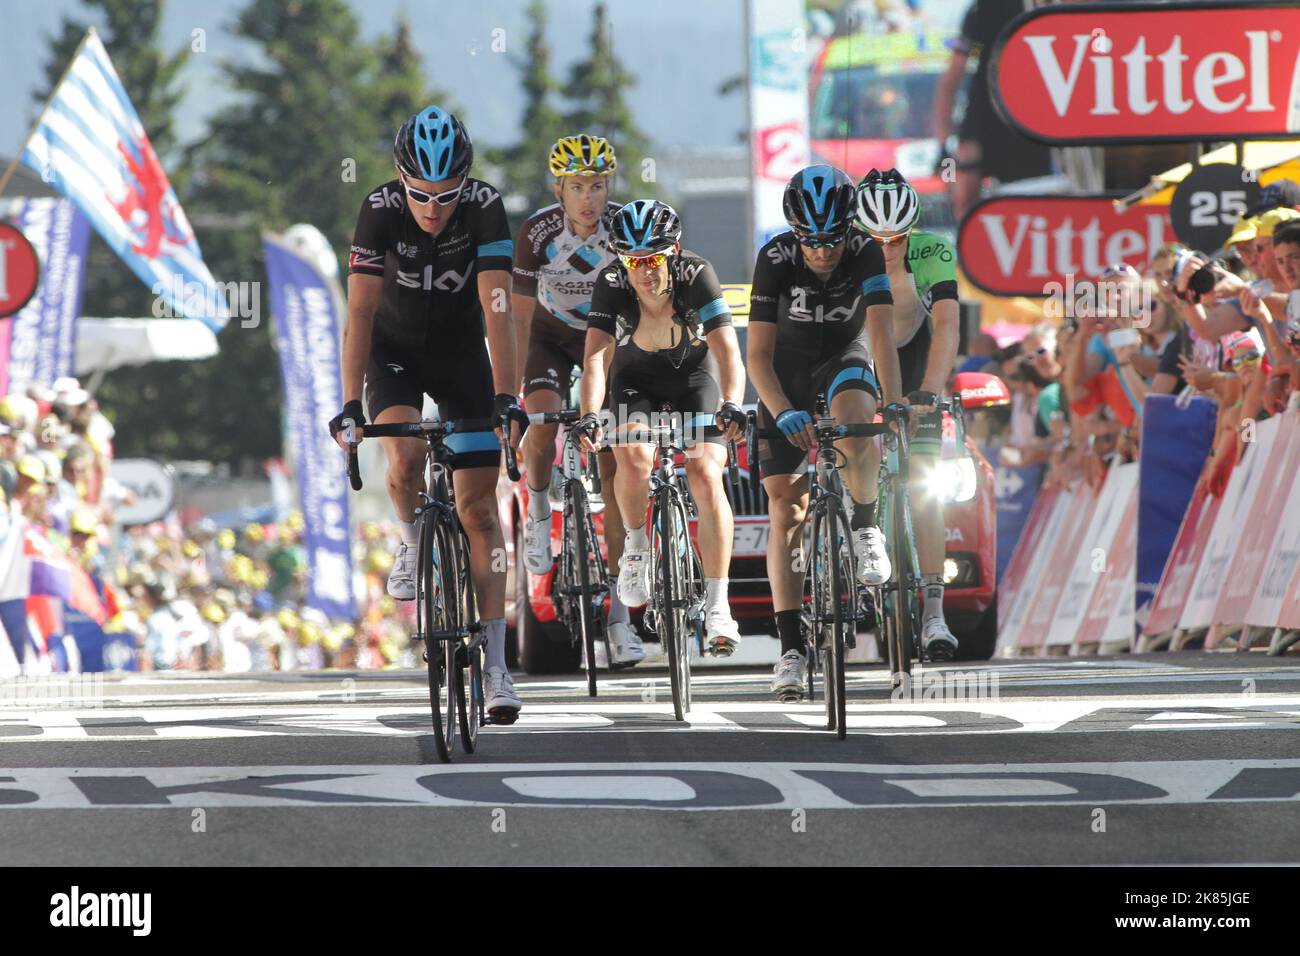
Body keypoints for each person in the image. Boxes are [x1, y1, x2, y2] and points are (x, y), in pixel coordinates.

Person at [330, 106, 525, 721]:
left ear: (465, 183)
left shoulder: (486, 206)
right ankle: (413, 541)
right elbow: (359, 312)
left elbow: (499, 309)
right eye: (420, 193)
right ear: (399, 178)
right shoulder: (380, 210)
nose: (433, 208)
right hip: (395, 352)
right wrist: (349, 407)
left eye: (446, 195)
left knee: (480, 516)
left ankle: (495, 668)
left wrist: (507, 398)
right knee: (405, 455)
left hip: (464, 352)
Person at [747, 165, 900, 699]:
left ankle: (864, 525)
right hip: (783, 373)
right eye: (811, 240)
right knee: (785, 508)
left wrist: (896, 403)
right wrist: (782, 409)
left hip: (844, 358)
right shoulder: (775, 257)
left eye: (832, 239)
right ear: (794, 231)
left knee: (860, 422)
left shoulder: (863, 251)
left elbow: (881, 335)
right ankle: (790, 648)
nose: (822, 251)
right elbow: (758, 356)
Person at [574, 200, 748, 656]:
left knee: (707, 473)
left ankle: (717, 604)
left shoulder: (697, 275)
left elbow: (728, 350)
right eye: (633, 261)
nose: (644, 272)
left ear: (673, 251)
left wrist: (732, 404)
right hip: (636, 380)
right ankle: (635, 546)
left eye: (652, 259)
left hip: (695, 377)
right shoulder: (611, 283)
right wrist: (590, 413)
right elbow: (595, 358)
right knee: (632, 457)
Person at [512, 134, 642, 667]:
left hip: (606, 340)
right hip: (548, 336)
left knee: (612, 468)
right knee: (542, 421)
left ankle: (619, 619)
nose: (588, 198)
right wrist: (512, 388)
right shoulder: (537, 233)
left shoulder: (624, 229)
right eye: (577, 188)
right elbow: (518, 317)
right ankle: (539, 513)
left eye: (598, 186)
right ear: (558, 189)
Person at [855, 168, 962, 659]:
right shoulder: (846, 254)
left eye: (896, 238)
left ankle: (935, 612)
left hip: (915, 358)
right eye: (876, 238)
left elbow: (945, 328)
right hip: (859, 359)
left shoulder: (933, 250)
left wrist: (929, 393)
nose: (887, 248)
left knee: (923, 486)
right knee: (847, 455)